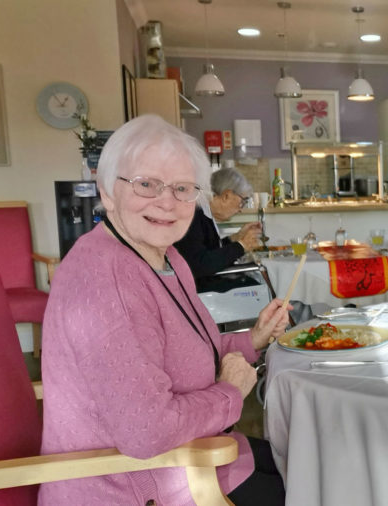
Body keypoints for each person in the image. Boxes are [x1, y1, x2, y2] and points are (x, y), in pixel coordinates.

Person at [39, 115, 290, 505]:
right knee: (308, 487)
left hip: (193, 454)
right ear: (107, 191)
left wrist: (252, 338)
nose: (167, 201)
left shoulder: (164, 256)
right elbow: (146, 433)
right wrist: (230, 394)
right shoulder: (108, 282)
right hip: (133, 486)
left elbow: (189, 349)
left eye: (182, 187)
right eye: (146, 184)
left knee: (300, 460)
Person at [175, 166, 262, 284]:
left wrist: (235, 239)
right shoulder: (193, 216)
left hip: (204, 282)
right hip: (198, 289)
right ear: (226, 195)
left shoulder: (204, 214)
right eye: (242, 201)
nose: (241, 209)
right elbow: (200, 264)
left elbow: (211, 252)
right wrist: (241, 246)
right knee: (255, 284)